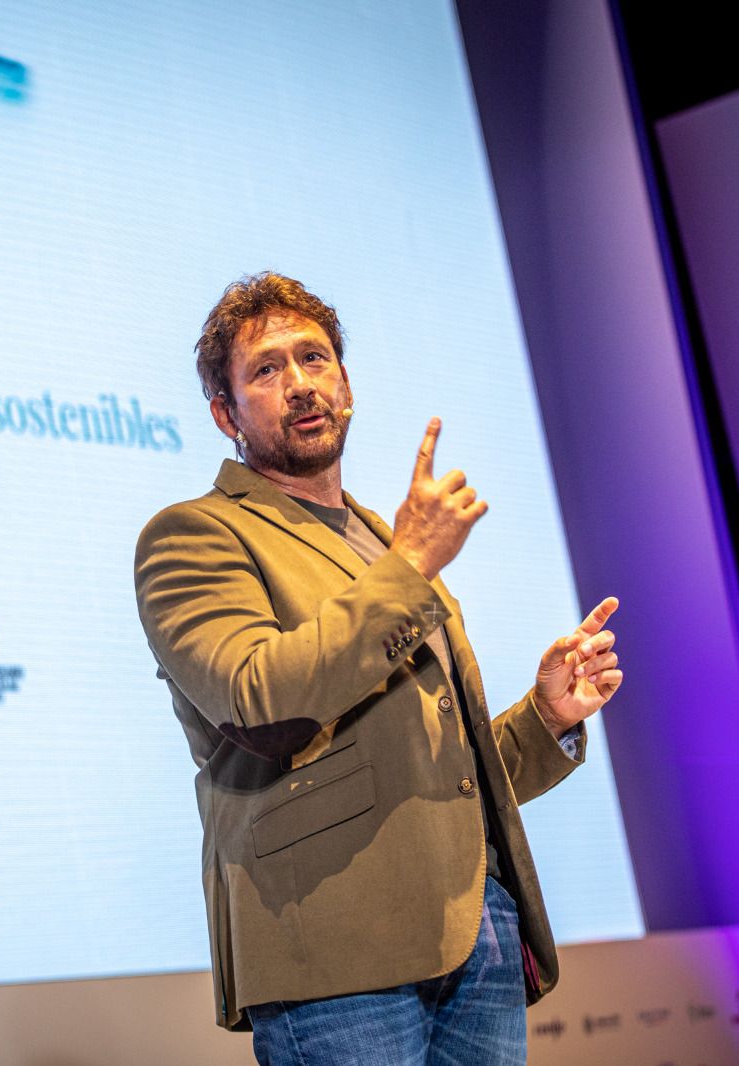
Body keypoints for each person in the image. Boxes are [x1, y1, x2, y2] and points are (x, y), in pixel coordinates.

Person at [133, 273, 623, 1065]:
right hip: (334, 946)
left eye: (315, 358)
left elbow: (436, 773)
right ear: (225, 414)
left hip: (478, 936)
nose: (299, 384)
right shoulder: (193, 537)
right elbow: (263, 703)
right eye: (266, 370)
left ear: (347, 384)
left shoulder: (376, 536)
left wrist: (547, 720)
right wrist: (414, 560)